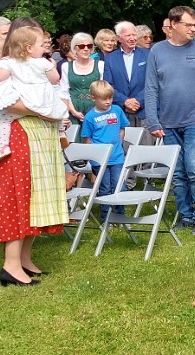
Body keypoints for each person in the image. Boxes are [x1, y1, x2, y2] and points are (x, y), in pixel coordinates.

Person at [0, 25, 69, 286]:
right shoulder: (7, 66)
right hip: (22, 135)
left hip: (41, 135)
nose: (46, 46)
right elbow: (8, 103)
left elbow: (53, 89)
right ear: (26, 46)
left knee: (38, 197)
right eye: (41, 42)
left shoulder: (37, 66)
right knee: (21, 195)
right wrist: (46, 111)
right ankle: (11, 264)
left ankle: (24, 259)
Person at [145, 6, 195, 237]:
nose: (193, 29)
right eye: (188, 25)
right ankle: (185, 215)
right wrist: (153, 121)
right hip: (168, 122)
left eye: (194, 25)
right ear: (173, 25)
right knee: (178, 172)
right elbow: (150, 88)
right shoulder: (157, 51)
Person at [0, 26, 68, 163]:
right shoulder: (43, 62)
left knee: (3, 118)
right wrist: (51, 69)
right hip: (44, 100)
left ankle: (3, 146)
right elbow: (55, 79)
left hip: (26, 101)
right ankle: (61, 131)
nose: (44, 49)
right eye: (41, 45)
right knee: (57, 108)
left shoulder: (10, 63)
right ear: (29, 48)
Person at [81, 80, 129, 222]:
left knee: (119, 186)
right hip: (100, 160)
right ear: (93, 98)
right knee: (105, 188)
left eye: (110, 98)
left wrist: (118, 143)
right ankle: (106, 218)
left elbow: (122, 128)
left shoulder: (117, 110)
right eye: (104, 99)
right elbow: (87, 139)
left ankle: (120, 217)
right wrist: (92, 158)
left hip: (117, 157)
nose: (108, 101)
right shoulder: (90, 117)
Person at [103, 21, 150, 128]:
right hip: (121, 112)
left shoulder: (148, 55)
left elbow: (153, 82)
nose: (132, 38)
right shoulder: (110, 59)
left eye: (134, 35)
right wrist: (125, 101)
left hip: (144, 111)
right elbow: (108, 86)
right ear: (118, 38)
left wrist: (138, 101)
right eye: (128, 35)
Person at [58, 32, 104, 125]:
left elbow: (103, 90)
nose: (86, 49)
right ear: (75, 48)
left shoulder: (100, 65)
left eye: (89, 46)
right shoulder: (66, 66)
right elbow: (64, 92)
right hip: (73, 110)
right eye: (82, 46)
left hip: (96, 110)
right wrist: (73, 112)